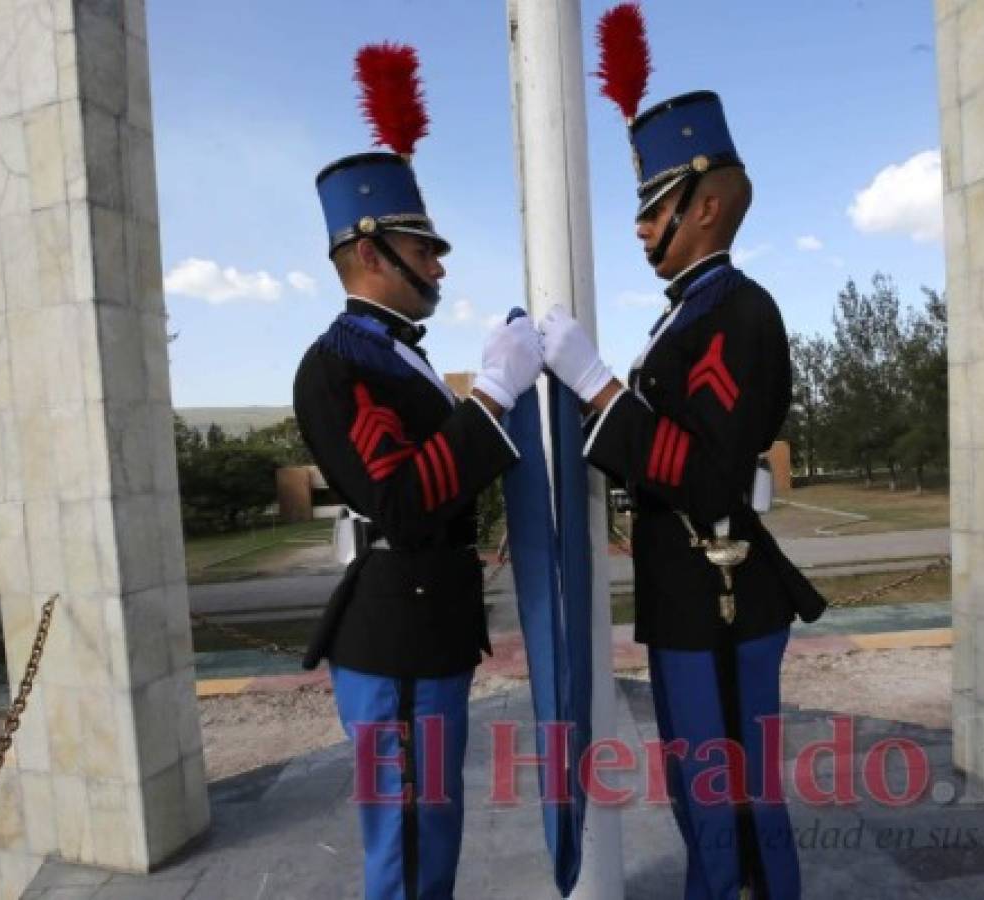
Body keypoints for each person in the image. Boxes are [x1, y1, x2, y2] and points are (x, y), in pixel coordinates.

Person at [539, 88, 828, 899]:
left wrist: (599, 390)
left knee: (731, 799)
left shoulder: (738, 311)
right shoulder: (689, 314)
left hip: (720, 594)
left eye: (651, 207)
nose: (638, 227)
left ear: (703, 207)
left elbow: (706, 476)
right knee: (700, 794)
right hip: (688, 595)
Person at [294, 44, 542, 900]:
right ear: (370, 254)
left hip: (427, 626)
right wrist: (495, 397)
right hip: (395, 634)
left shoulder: (400, 359)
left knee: (432, 825)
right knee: (405, 836)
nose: (438, 265)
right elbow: (398, 500)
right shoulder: (338, 363)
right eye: (422, 249)